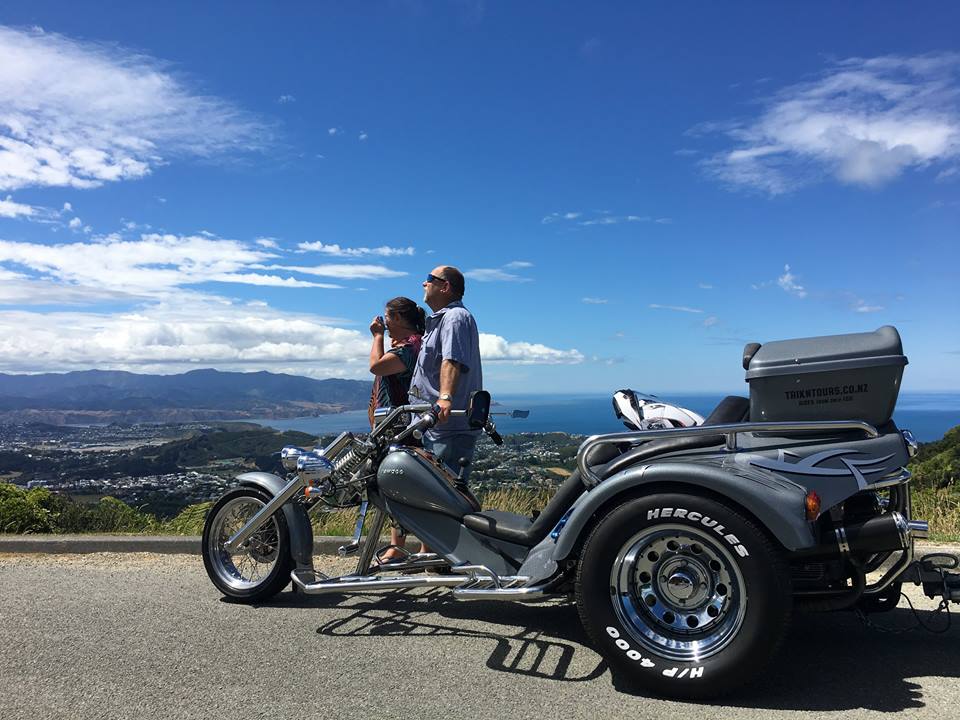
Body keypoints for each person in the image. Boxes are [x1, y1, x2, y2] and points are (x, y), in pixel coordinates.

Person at [409, 265, 483, 476]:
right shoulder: (442, 319)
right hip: (435, 427)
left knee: (443, 490)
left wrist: (445, 397)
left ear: (445, 286)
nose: (424, 283)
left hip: (446, 430)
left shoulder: (455, 317)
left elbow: (452, 360)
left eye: (429, 278)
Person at [368, 296, 425, 564]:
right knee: (399, 486)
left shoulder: (409, 348)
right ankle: (403, 546)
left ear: (399, 318)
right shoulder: (413, 345)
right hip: (400, 427)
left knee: (400, 485)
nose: (385, 323)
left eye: (388, 318)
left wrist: (377, 336)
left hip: (401, 428)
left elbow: (376, 366)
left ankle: (414, 548)